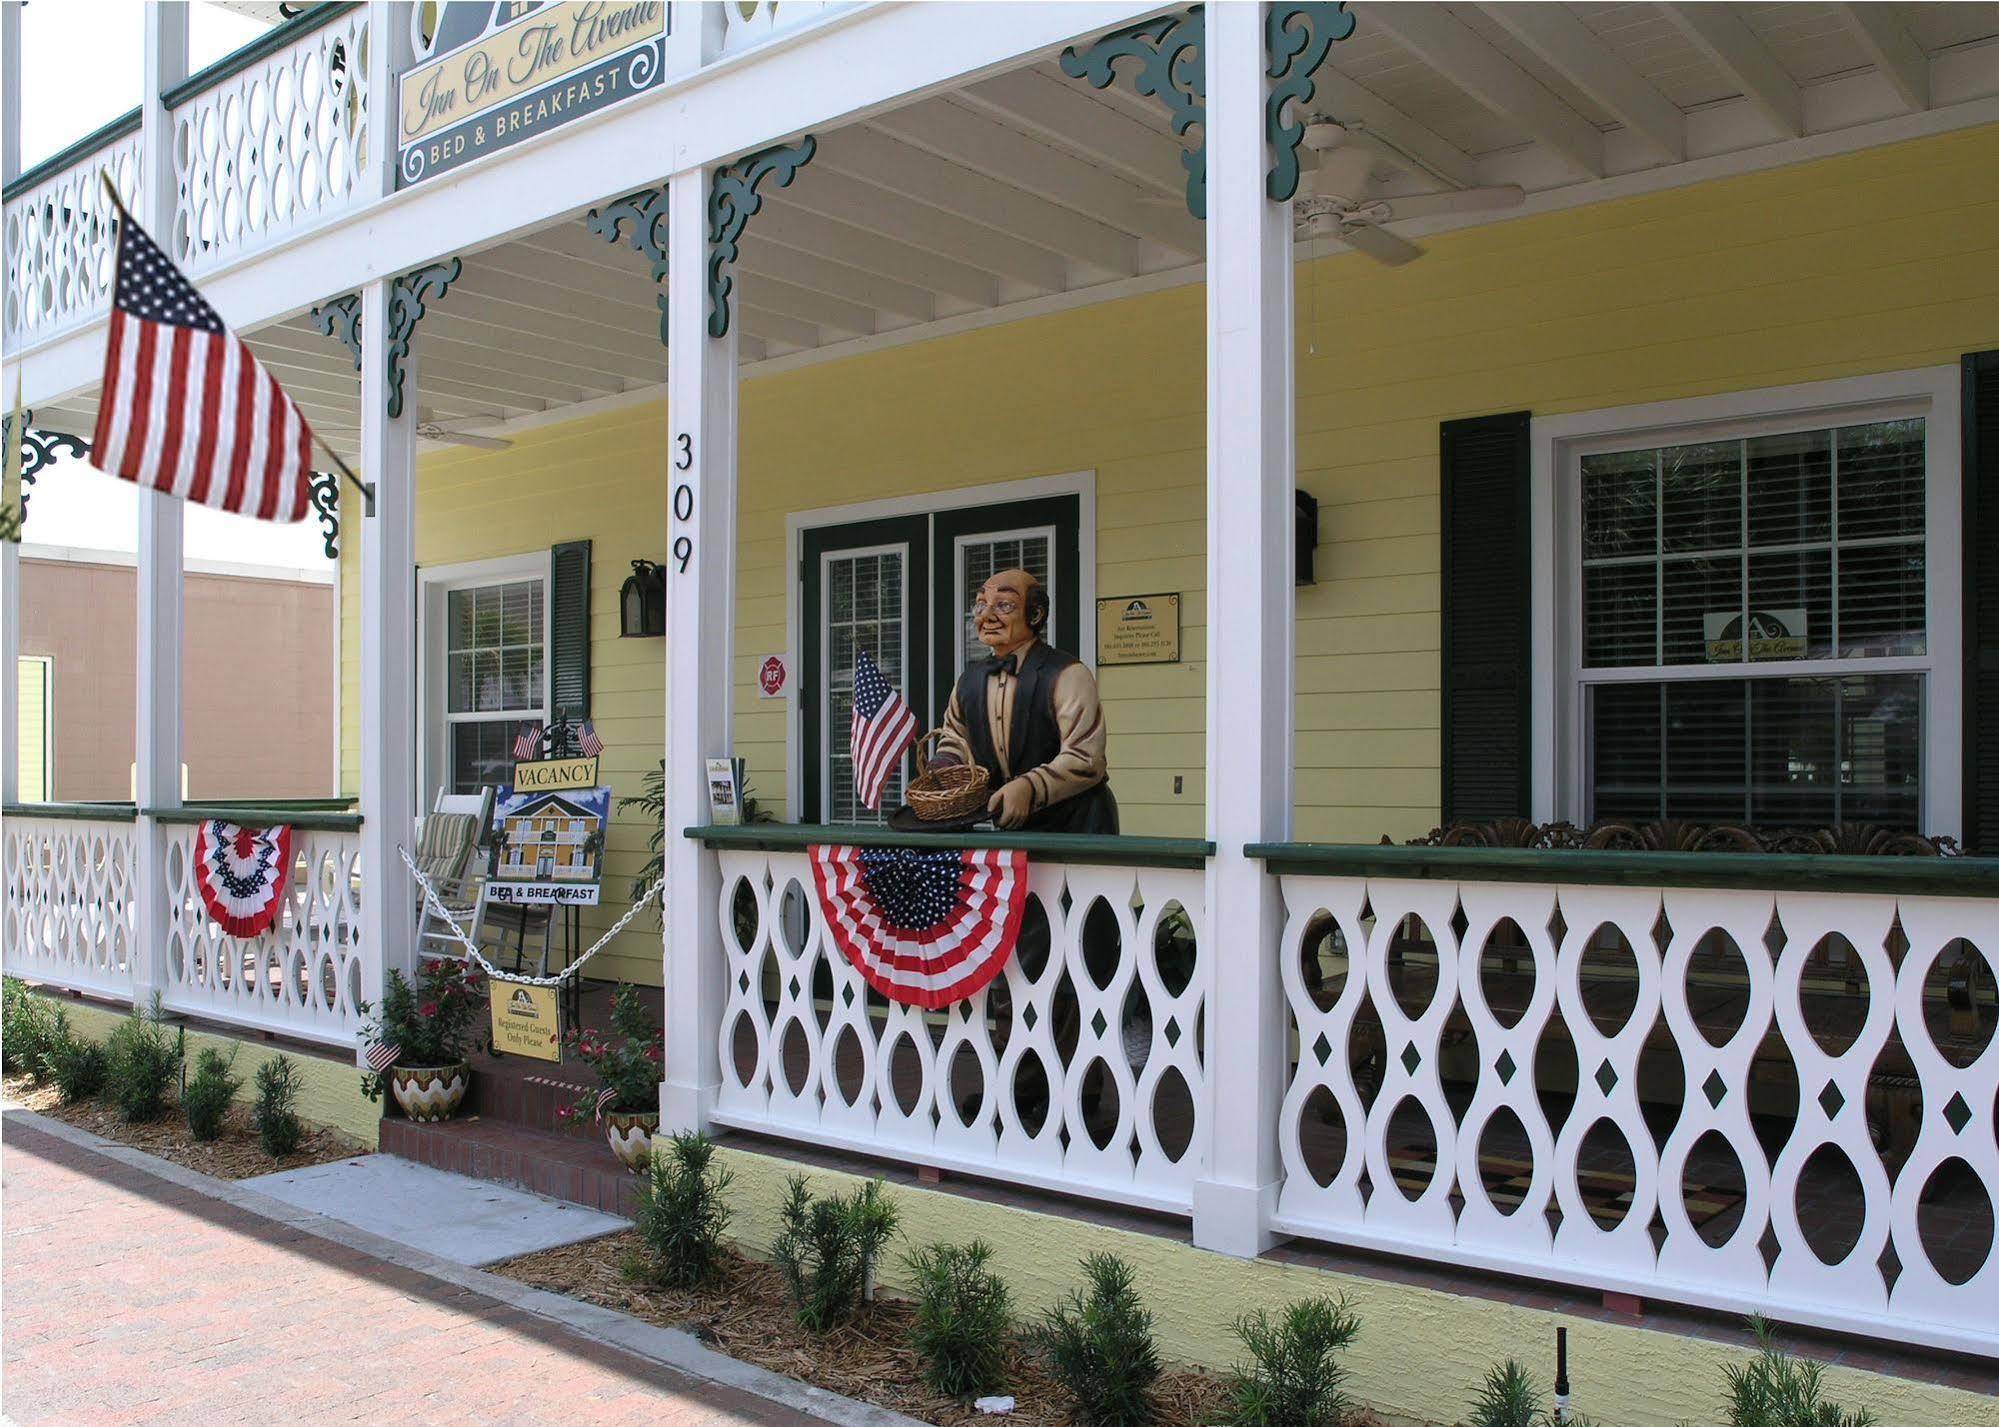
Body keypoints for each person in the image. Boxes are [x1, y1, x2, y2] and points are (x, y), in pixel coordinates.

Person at [932, 567, 1118, 834]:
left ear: (1035, 614)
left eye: (1004, 605)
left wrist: (1030, 787)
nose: (987, 615)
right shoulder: (968, 682)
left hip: (1076, 825)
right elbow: (954, 739)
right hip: (1012, 830)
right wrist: (943, 768)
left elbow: (1085, 757)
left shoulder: (1068, 674)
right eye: (981, 604)